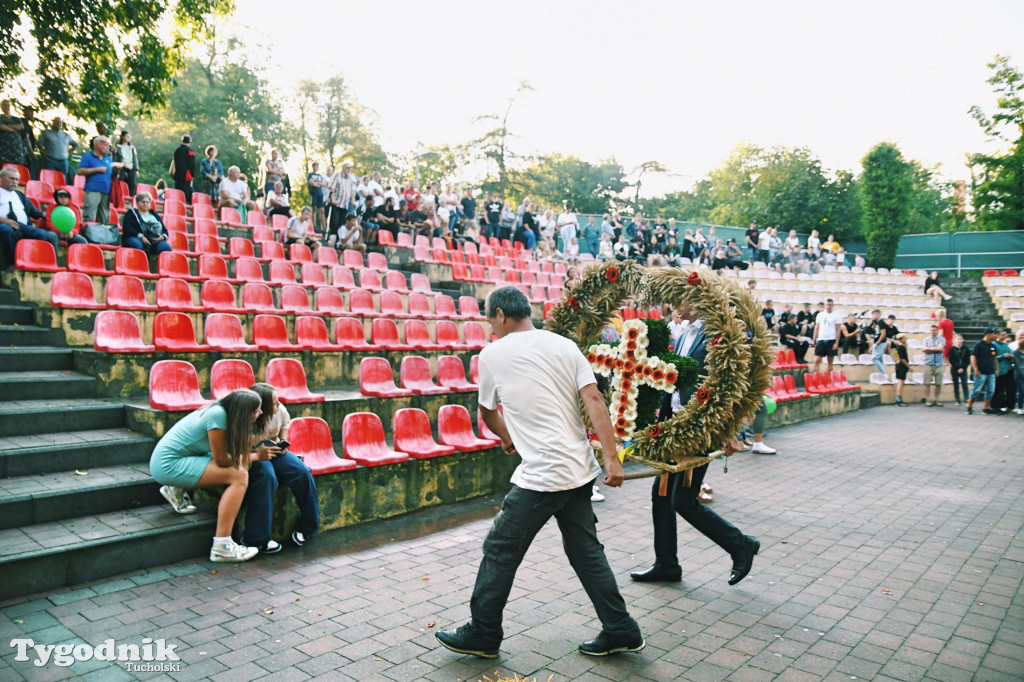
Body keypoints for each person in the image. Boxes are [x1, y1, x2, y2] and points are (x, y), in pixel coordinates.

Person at [435, 286, 644, 659]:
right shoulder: (564, 345)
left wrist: (507, 437)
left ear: (500, 314)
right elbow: (594, 399)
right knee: (585, 552)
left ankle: (484, 632)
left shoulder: (492, 354)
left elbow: (486, 411)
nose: (492, 329)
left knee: (500, 549)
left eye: (490, 321)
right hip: (579, 469)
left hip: (543, 474)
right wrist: (612, 459)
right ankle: (620, 627)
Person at [631, 303, 759, 586]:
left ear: (697, 301)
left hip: (699, 428)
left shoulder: (719, 333)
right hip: (673, 424)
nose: (674, 305)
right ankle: (666, 563)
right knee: (662, 495)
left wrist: (728, 429)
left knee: (682, 500)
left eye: (680, 299)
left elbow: (729, 382)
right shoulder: (684, 332)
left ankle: (740, 546)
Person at [150, 389, 271, 562]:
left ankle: (176, 489)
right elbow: (222, 460)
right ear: (243, 411)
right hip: (167, 465)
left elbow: (227, 453)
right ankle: (222, 547)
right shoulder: (218, 415)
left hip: (177, 459)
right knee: (239, 476)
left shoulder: (223, 410)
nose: (260, 413)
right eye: (256, 410)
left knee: (237, 465)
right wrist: (257, 455)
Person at [242, 383, 320, 552]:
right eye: (274, 403)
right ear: (261, 406)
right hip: (254, 454)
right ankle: (256, 538)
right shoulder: (247, 417)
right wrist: (258, 451)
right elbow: (238, 448)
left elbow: (284, 425)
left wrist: (282, 442)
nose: (278, 405)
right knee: (267, 477)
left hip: (274, 449)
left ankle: (307, 527)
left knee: (302, 472)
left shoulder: (280, 410)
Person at [0, 166, 56, 269]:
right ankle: (11, 264)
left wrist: (54, 215)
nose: (15, 181)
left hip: (21, 226)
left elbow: (36, 213)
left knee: (42, 233)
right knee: (6, 230)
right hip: (3, 224)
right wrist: (5, 221)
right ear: (1, 178)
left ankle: (36, 263)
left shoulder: (19, 195)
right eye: (11, 178)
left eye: (16, 179)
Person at [76, 136, 120, 224]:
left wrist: (116, 171)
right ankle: (87, 236)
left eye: (108, 145)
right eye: (105, 144)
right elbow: (79, 171)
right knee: (90, 216)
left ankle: (101, 236)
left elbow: (111, 174)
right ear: (97, 144)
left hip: (106, 191)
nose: (108, 147)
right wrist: (97, 169)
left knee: (104, 217)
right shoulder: (87, 156)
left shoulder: (108, 158)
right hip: (92, 190)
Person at [966, 328, 999, 415]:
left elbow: (994, 358)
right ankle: (969, 407)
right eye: (994, 334)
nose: (996, 336)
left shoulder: (993, 346)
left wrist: (997, 369)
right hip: (981, 372)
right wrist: (976, 370)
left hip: (991, 372)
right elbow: (973, 357)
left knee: (991, 390)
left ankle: (986, 408)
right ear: (988, 334)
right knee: (976, 390)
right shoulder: (979, 345)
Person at [327, 161, 356, 244]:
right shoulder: (337, 175)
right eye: (348, 168)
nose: (349, 170)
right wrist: (333, 199)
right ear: (343, 168)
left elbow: (352, 192)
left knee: (342, 223)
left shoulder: (351, 178)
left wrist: (353, 202)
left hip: (345, 204)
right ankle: (331, 240)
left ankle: (338, 241)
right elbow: (331, 188)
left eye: (350, 168)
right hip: (336, 203)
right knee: (334, 222)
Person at [812, 298, 843, 373]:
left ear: (832, 305)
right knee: (817, 360)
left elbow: (838, 330)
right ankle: (816, 377)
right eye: (827, 305)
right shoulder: (820, 315)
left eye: (830, 305)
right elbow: (817, 328)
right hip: (821, 339)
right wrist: (813, 340)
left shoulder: (837, 316)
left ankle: (828, 379)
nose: (828, 306)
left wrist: (836, 343)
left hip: (831, 340)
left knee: (830, 362)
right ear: (825, 305)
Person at [921, 324, 946, 407]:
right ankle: (928, 399)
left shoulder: (941, 339)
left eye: (934, 330)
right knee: (927, 383)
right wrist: (935, 349)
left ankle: (936, 399)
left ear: (937, 331)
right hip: (928, 363)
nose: (932, 332)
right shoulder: (926, 340)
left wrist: (929, 349)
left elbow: (940, 348)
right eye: (931, 330)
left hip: (939, 363)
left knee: (938, 383)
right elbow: (924, 350)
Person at [992, 330, 1016, 412]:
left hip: (1008, 370)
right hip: (999, 370)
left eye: (1006, 335)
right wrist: (1002, 356)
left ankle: (1009, 405)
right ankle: (996, 405)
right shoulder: (994, 345)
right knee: (998, 389)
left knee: (1009, 389)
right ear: (998, 335)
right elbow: (993, 357)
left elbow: (1012, 355)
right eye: (1003, 335)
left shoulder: (1006, 346)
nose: (1005, 336)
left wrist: (1011, 356)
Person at [168, 135, 196, 204]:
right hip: (186, 176)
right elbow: (191, 164)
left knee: (178, 191)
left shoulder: (177, 151)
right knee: (185, 193)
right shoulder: (189, 151)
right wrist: (192, 175)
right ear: (189, 142)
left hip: (177, 175)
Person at [0, 100, 27, 168]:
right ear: (1, 107)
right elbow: (1, 126)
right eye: (5, 105)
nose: (6, 107)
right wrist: (13, 130)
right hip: (3, 149)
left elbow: (20, 126)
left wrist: (7, 126)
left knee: (17, 168)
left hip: (16, 150)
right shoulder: (1, 118)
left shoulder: (16, 119)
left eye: (8, 105)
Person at [112, 130, 140, 197]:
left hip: (131, 166)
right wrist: (116, 168)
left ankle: (131, 197)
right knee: (120, 181)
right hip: (121, 166)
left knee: (132, 183)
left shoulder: (132, 148)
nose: (129, 138)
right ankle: (119, 196)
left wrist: (136, 169)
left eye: (129, 136)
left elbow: (135, 159)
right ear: (123, 137)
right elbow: (115, 159)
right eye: (127, 136)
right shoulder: (118, 147)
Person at [947, 334, 971, 406]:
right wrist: (958, 367)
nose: (959, 340)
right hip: (955, 369)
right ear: (955, 340)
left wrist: (963, 368)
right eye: (958, 339)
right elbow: (951, 360)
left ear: (963, 340)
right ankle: (957, 399)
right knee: (956, 384)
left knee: (964, 384)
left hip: (963, 369)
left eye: (960, 339)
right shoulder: (951, 349)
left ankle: (966, 398)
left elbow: (967, 360)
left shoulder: (966, 349)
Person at [892, 333, 910, 407]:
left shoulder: (898, 347)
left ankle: (899, 399)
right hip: (901, 366)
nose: (905, 340)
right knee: (900, 382)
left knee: (901, 382)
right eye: (904, 339)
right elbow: (903, 359)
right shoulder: (901, 348)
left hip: (898, 366)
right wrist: (909, 367)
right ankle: (899, 400)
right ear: (900, 339)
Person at [1012, 328, 1024, 415]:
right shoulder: (1016, 352)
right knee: (1022, 390)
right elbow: (1018, 365)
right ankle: (1020, 407)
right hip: (1018, 374)